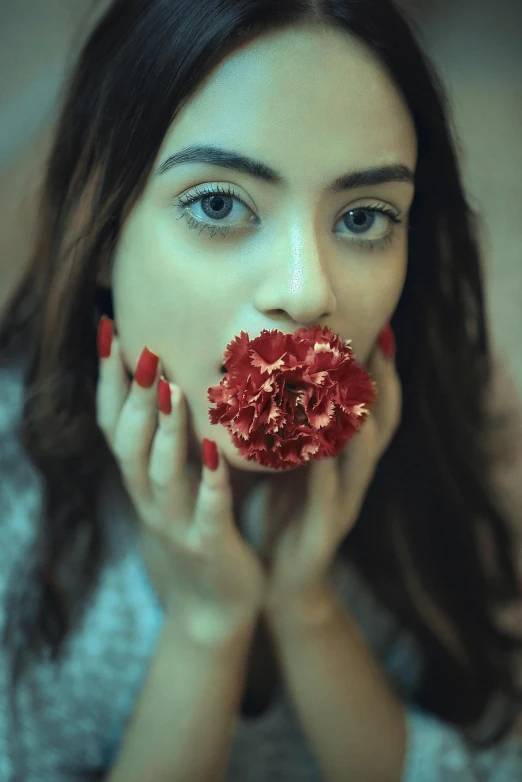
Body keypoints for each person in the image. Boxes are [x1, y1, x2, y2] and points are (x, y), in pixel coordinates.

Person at [1, 0, 521, 779]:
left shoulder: (469, 436)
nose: (308, 293)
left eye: (365, 217)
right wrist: (206, 625)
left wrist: (307, 607)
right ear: (101, 227)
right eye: (218, 204)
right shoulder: (14, 495)